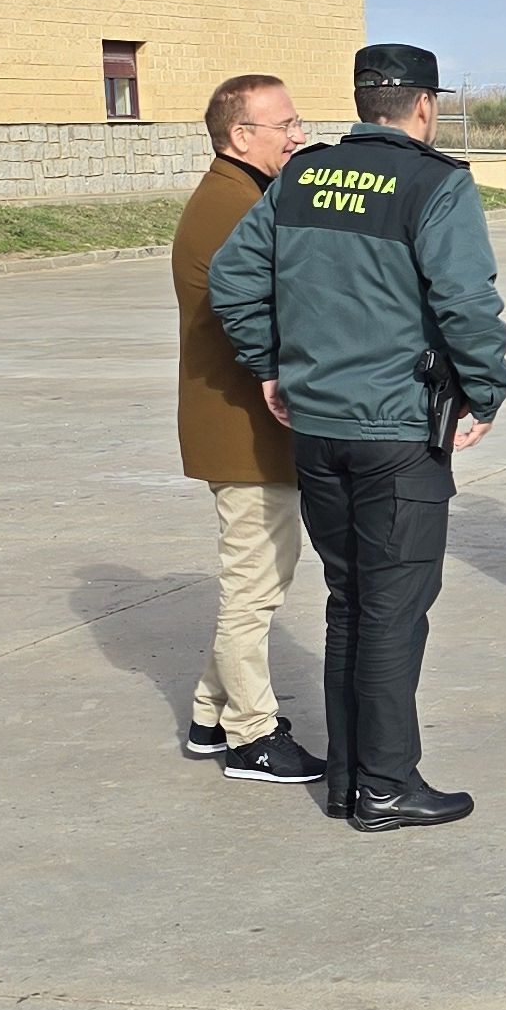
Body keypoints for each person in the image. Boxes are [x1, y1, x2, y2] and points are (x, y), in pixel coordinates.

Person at [208, 43, 506, 833]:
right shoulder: (436, 183)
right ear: (423, 106)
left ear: (362, 102)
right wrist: (485, 390)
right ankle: (386, 785)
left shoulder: (301, 176)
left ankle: (347, 781)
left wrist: (269, 365)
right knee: (394, 610)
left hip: (318, 430)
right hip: (396, 432)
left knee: (351, 602)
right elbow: (465, 300)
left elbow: (233, 277)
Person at [167, 73, 328, 787]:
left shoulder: (243, 195)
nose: (298, 135)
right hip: (243, 427)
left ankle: (210, 715)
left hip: (247, 426)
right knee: (253, 589)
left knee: (261, 576)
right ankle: (250, 738)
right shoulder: (233, 207)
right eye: (285, 125)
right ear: (242, 136)